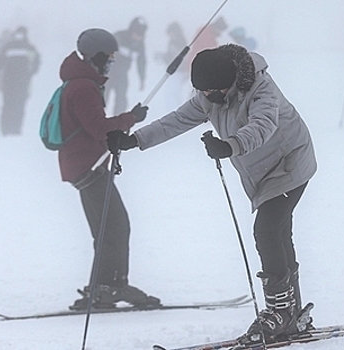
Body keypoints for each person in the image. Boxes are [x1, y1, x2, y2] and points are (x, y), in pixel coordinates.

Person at [107, 43, 317, 344]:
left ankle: (279, 311)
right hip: (262, 171)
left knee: (268, 230)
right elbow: (177, 120)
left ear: (227, 83)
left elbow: (263, 125)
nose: (205, 97)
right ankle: (290, 313)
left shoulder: (262, 90)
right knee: (279, 233)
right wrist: (135, 140)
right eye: (201, 91)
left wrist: (229, 145)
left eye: (209, 91)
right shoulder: (210, 96)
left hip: (290, 163)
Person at [56, 28, 158, 310]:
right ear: (95, 56)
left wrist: (127, 119)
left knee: (107, 228)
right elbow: (98, 128)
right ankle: (111, 287)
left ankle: (103, 287)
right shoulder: (83, 87)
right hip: (88, 166)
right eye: (108, 58)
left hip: (83, 164)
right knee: (115, 226)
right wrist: (131, 118)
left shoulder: (80, 82)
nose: (110, 64)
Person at [0, 26, 40, 136]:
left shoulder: (8, 47)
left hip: (8, 82)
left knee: (7, 105)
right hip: (23, 83)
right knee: (19, 106)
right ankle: (16, 129)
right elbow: (36, 62)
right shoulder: (29, 48)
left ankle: (5, 129)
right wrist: (30, 73)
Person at [107, 17, 148, 115]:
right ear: (131, 31)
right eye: (137, 34)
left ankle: (117, 122)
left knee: (121, 100)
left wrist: (142, 79)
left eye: (141, 35)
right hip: (108, 73)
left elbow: (141, 62)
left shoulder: (139, 45)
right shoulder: (119, 37)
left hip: (122, 75)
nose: (138, 37)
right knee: (102, 98)